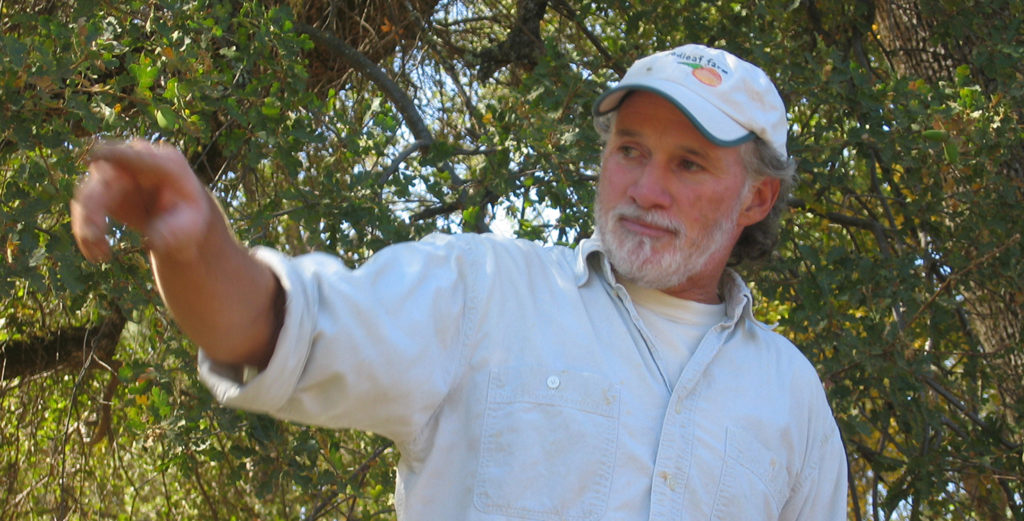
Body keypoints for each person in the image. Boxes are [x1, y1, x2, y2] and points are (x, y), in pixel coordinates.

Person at [71, 44, 848, 520]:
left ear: (756, 197)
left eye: (688, 164)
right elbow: (280, 331)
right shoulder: (482, 290)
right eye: (630, 150)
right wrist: (195, 244)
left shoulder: (791, 396)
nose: (645, 188)